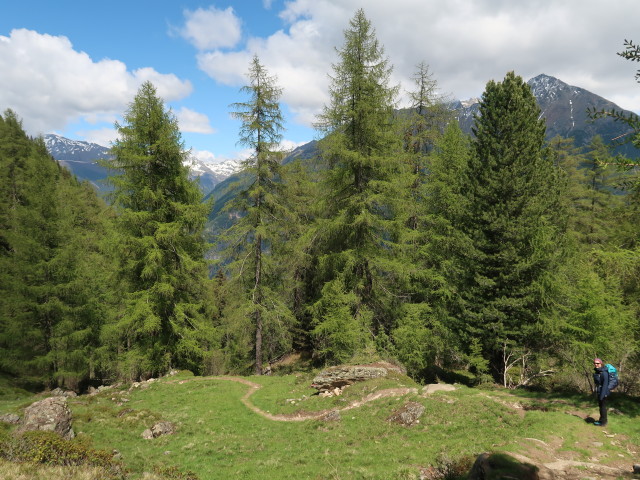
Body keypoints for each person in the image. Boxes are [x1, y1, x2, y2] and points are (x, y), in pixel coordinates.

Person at [593, 358, 610, 426]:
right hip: (600, 391)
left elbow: (605, 384)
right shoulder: (598, 372)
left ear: (601, 364)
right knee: (601, 406)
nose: (596, 364)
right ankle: (601, 420)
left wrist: (602, 395)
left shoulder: (604, 373)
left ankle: (603, 422)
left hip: (603, 392)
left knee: (603, 407)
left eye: (597, 363)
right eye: (594, 363)